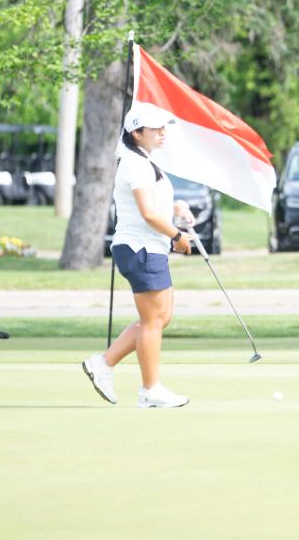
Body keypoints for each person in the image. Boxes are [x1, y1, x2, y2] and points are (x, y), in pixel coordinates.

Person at [82, 108, 196, 407]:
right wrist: (176, 235)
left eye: (163, 128)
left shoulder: (144, 161)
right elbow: (146, 214)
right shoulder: (135, 164)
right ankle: (150, 390)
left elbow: (151, 205)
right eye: (155, 128)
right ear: (136, 133)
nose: (162, 132)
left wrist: (177, 207)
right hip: (140, 248)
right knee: (153, 321)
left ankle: (103, 364)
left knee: (159, 317)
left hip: (147, 247)